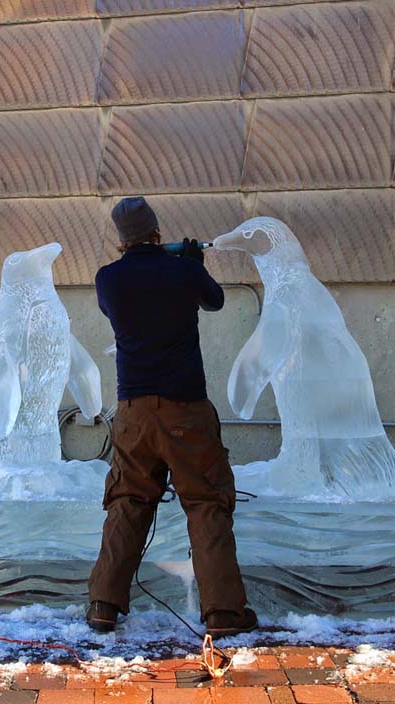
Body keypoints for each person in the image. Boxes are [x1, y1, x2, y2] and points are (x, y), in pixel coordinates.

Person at [86, 196, 257, 638]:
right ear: (156, 230)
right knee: (205, 503)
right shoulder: (183, 270)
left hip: (133, 414)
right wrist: (194, 262)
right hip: (187, 410)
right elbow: (215, 300)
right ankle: (223, 613)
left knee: (127, 502)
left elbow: (123, 303)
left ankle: (103, 605)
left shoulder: (109, 279)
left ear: (122, 240)